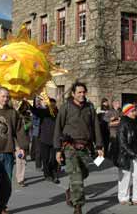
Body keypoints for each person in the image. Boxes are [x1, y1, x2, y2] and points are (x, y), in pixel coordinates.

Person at [54, 82, 103, 214]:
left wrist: (99, 146)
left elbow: (96, 127)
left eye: (83, 92)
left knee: (84, 173)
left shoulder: (90, 107)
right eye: (79, 92)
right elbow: (58, 127)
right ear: (73, 94)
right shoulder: (66, 107)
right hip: (70, 147)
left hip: (86, 147)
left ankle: (71, 190)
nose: (82, 95)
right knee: (76, 175)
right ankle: (78, 207)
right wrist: (58, 150)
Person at [27, 97, 59, 183]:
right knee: (45, 158)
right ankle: (47, 174)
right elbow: (35, 111)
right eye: (50, 104)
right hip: (44, 139)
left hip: (55, 140)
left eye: (53, 104)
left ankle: (54, 174)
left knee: (54, 159)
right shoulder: (44, 112)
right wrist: (31, 100)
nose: (52, 105)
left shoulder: (58, 113)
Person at [116, 103, 137, 205]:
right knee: (125, 177)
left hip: (135, 153)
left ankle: (135, 197)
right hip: (125, 154)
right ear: (127, 112)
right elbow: (122, 142)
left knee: (136, 176)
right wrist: (131, 152)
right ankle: (123, 197)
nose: (135, 113)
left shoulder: (135, 122)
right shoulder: (123, 124)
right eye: (132, 111)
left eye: (135, 110)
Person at [15, 100, 32, 187]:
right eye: (24, 106)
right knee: (20, 160)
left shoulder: (27, 115)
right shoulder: (17, 115)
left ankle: (20, 176)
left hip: (25, 140)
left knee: (23, 160)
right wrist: (28, 125)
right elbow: (21, 128)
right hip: (18, 140)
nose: (26, 107)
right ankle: (20, 178)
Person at [105, 97, 121, 163]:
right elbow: (105, 119)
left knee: (118, 144)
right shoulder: (110, 111)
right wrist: (111, 119)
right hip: (112, 130)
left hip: (120, 130)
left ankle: (116, 158)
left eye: (119, 103)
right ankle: (110, 158)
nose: (119, 104)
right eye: (117, 103)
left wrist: (121, 119)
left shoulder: (120, 111)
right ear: (114, 104)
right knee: (113, 144)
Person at [30, 97, 43, 170]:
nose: (38, 102)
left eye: (39, 100)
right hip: (37, 132)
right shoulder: (34, 110)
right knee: (38, 150)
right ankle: (38, 165)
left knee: (43, 149)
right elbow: (33, 122)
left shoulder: (44, 109)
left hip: (44, 132)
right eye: (37, 101)